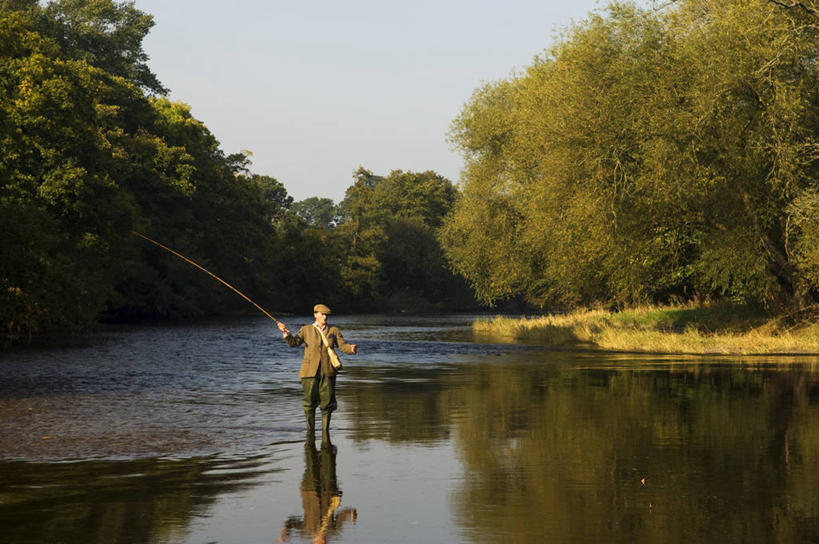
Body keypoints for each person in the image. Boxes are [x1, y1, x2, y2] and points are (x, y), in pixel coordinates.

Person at [277, 304, 358, 437]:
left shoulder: (334, 330)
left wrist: (351, 349)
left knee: (327, 403)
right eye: (322, 314)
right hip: (309, 372)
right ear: (315, 314)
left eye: (326, 315)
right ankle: (310, 432)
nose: (324, 317)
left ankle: (325, 432)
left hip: (328, 371)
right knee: (309, 402)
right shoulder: (306, 329)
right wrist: (286, 333)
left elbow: (343, 346)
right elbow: (294, 343)